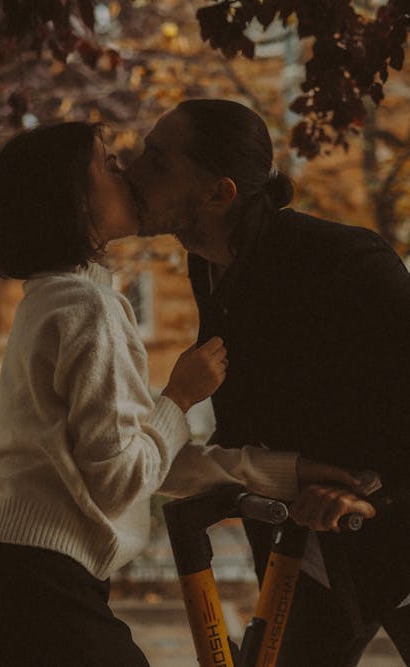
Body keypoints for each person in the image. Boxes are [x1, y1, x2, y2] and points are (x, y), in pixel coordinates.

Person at [0, 122, 368, 667]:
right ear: (76, 198)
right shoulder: (89, 310)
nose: (129, 172)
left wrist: (289, 470)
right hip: (39, 589)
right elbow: (121, 481)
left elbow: (145, 462)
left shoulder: (49, 299)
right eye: (110, 164)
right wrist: (179, 397)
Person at [125, 99, 410, 666]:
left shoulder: (345, 261)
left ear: (219, 193)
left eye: (157, 161)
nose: (132, 171)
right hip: (303, 554)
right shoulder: (209, 267)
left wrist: (372, 484)